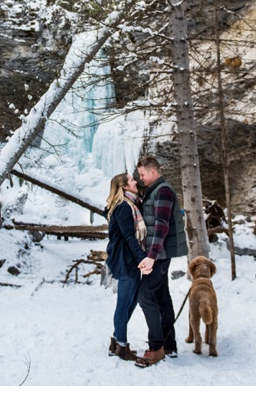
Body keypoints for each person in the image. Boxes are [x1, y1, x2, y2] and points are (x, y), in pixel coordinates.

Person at [134, 156, 188, 368]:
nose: (141, 178)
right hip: (159, 253)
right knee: (161, 296)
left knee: (145, 295)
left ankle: (156, 348)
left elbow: (161, 226)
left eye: (143, 174)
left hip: (160, 254)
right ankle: (169, 345)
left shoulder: (163, 191)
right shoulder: (154, 191)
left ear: (153, 172)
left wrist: (151, 256)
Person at [103, 172, 147, 361]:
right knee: (124, 303)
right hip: (126, 261)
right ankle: (121, 345)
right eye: (131, 180)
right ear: (124, 187)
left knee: (132, 300)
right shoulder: (123, 208)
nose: (135, 181)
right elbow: (129, 237)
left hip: (128, 259)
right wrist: (142, 259)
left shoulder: (131, 205)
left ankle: (115, 340)